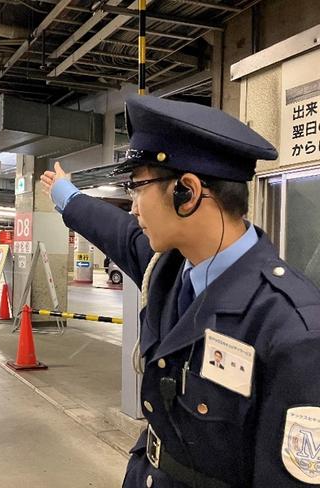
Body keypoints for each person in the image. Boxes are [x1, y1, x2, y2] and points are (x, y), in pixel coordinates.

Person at [41, 95, 320, 487]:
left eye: (137, 187)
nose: (133, 208)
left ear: (187, 192)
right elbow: (115, 231)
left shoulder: (291, 328)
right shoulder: (169, 268)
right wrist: (65, 194)